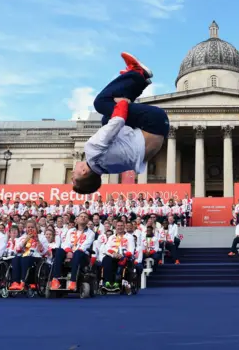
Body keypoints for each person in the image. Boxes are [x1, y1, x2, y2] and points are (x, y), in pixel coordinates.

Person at [72, 53, 169, 194]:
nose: (72, 174)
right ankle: (137, 73)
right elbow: (117, 122)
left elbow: (114, 127)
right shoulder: (92, 150)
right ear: (84, 171)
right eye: (74, 177)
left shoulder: (109, 168)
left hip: (158, 132)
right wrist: (123, 102)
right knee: (101, 103)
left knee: (106, 119)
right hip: (153, 121)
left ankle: (135, 82)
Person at [50, 212, 95, 291]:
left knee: (77, 253)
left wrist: (73, 253)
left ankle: (73, 281)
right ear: (77, 219)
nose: (83, 218)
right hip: (70, 253)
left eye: (85, 217)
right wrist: (69, 251)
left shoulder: (91, 233)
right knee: (59, 251)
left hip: (82, 256)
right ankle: (55, 279)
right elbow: (66, 243)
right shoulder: (70, 230)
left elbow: (85, 245)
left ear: (88, 221)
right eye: (81, 216)